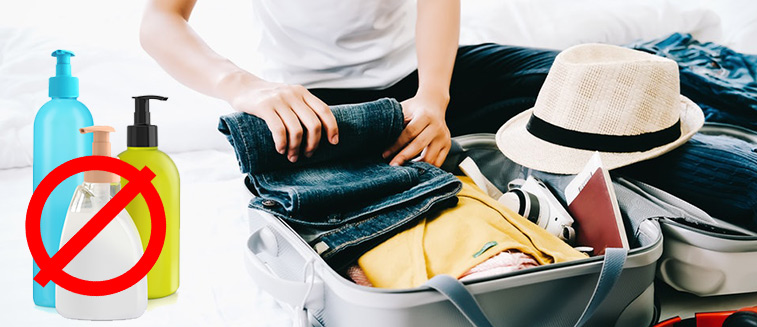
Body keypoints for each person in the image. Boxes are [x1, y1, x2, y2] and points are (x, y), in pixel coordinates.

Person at [140, 0, 557, 167]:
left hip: (426, 83)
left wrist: (433, 96)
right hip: (318, 106)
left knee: (586, 80)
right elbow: (160, 19)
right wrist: (243, 86)